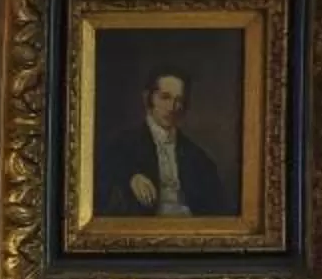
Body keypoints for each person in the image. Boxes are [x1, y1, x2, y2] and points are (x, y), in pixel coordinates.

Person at [94, 70, 231, 218]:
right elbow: (102, 177)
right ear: (148, 98)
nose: (172, 107)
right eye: (165, 97)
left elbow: (217, 210)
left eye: (179, 100)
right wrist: (131, 177)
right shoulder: (124, 143)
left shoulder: (198, 157)